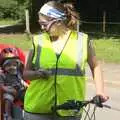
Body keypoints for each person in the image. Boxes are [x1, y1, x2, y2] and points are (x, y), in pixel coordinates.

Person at [24, 1, 109, 120]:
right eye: (40, 23)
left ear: (58, 21)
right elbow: (25, 74)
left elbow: (95, 66)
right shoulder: (37, 41)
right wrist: (38, 74)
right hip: (38, 109)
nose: (42, 27)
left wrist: (100, 91)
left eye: (44, 23)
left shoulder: (82, 40)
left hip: (70, 109)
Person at [0, 47, 27, 120]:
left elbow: (21, 80)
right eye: (8, 65)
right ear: (3, 67)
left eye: (14, 65)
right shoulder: (2, 75)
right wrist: (8, 90)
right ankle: (7, 114)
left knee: (28, 96)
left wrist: (25, 84)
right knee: (8, 99)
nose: (12, 67)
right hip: (10, 91)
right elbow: (2, 86)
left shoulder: (17, 72)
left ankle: (28, 111)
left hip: (20, 90)